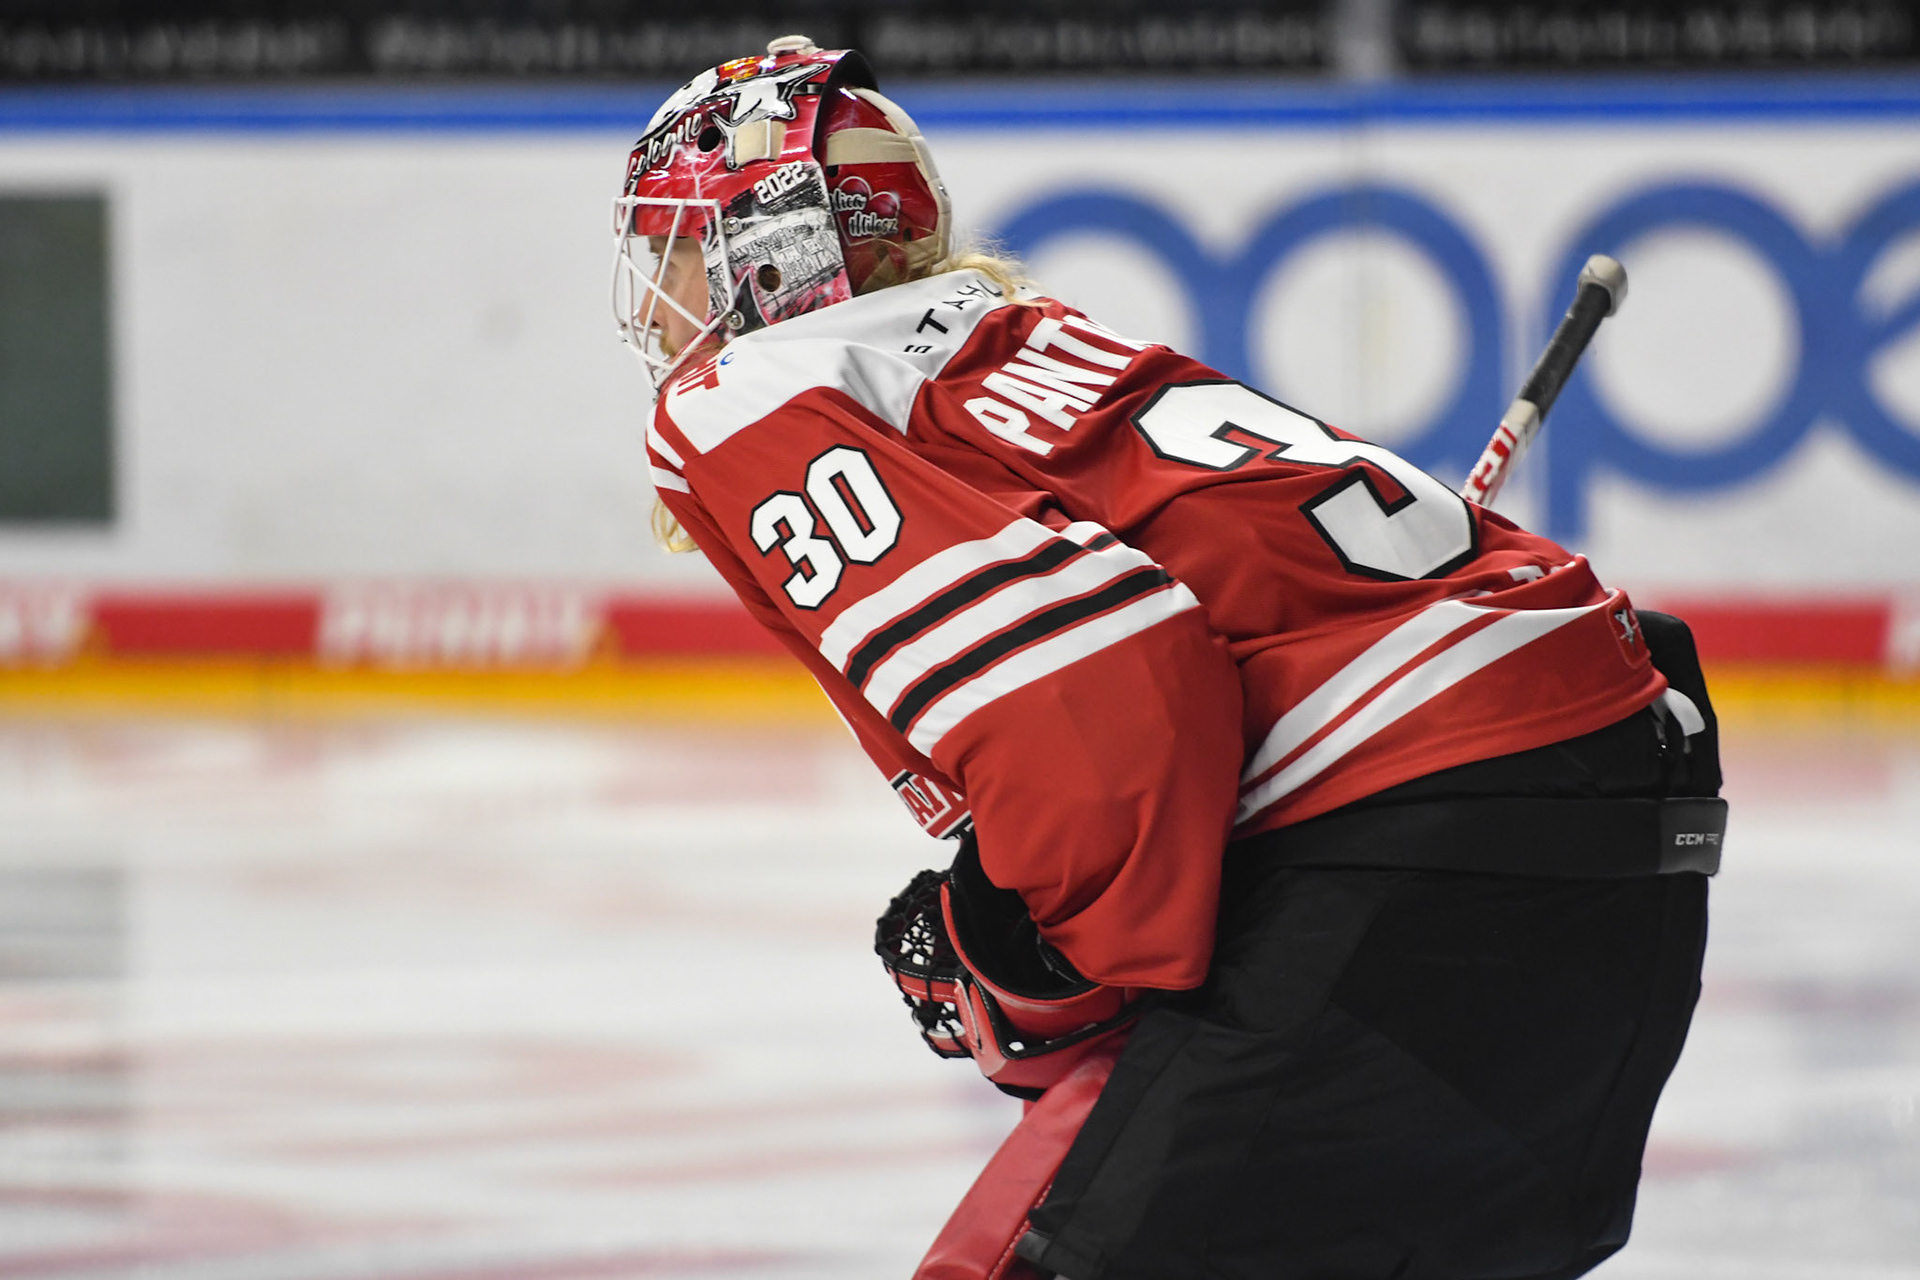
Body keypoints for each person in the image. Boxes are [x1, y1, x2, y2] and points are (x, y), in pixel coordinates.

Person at [613, 36, 1723, 1280]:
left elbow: (1101, 688)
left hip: (1414, 853)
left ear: (779, 247)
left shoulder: (759, 387)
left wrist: (1022, 952)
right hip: (1616, 832)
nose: (663, 289)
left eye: (683, 246)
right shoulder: (1015, 342)